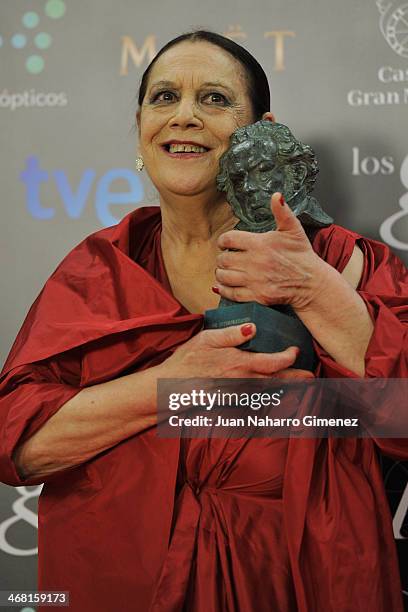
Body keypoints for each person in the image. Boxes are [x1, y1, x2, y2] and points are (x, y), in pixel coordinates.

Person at [0, 30, 407, 612]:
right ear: (139, 126)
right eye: (163, 97)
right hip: (116, 580)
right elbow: (19, 445)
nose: (183, 116)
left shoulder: (339, 261)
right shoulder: (101, 266)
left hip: (291, 579)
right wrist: (173, 391)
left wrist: (316, 293)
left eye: (214, 99)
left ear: (262, 129)